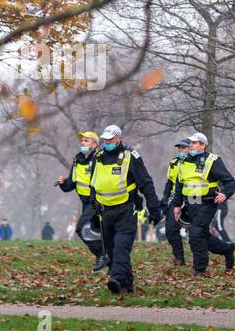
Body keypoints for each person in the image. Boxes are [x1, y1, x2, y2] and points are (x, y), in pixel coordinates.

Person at [89, 124, 162, 294]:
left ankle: (115, 279)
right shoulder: (98, 156)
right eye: (105, 139)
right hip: (105, 211)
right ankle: (128, 286)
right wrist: (94, 202)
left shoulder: (130, 156)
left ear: (119, 138)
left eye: (111, 139)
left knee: (121, 247)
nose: (107, 142)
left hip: (126, 210)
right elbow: (93, 183)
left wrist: (154, 209)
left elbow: (146, 183)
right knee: (111, 250)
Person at [171, 131, 235, 275]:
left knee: (195, 234)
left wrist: (225, 194)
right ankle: (227, 249)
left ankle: (199, 269)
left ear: (203, 146)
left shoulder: (212, 160)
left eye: (194, 143)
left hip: (207, 204)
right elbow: (179, 184)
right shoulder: (183, 161)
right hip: (189, 205)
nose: (191, 145)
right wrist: (177, 205)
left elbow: (230, 181)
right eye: (190, 143)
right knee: (202, 236)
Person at [57, 131, 107, 269]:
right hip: (86, 203)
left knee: (82, 228)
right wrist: (63, 183)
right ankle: (109, 259)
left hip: (98, 201)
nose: (83, 143)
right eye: (82, 141)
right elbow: (71, 184)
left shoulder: (100, 158)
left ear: (95, 144)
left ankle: (102, 255)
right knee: (96, 231)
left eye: (86, 141)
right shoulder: (77, 159)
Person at [161, 138, 190, 265]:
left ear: (190, 148)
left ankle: (203, 256)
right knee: (170, 230)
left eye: (183, 148)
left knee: (197, 232)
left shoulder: (195, 162)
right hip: (175, 200)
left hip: (191, 199)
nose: (180, 150)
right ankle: (179, 258)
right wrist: (164, 200)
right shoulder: (173, 163)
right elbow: (169, 183)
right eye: (179, 148)